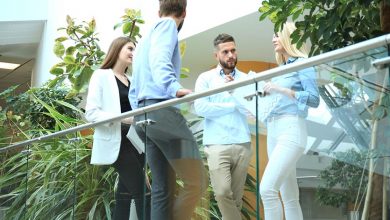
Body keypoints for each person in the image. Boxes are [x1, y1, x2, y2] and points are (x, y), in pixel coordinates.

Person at [129, 1, 207, 219]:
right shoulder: (168, 26)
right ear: (184, 13)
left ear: (159, 11)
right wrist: (175, 88)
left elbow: (134, 87)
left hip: (144, 118)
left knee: (163, 188)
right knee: (197, 181)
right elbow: (160, 61)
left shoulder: (144, 39)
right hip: (162, 115)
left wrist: (139, 112)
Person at [259, 22, 320, 220]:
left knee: (267, 189)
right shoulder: (280, 70)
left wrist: (283, 90)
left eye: (277, 35)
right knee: (289, 195)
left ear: (288, 37)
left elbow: (314, 99)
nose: (272, 39)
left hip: (292, 129)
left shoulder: (303, 63)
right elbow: (277, 103)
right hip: (273, 130)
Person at [85, 36, 150, 220]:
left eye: (134, 50)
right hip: (117, 142)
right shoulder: (101, 75)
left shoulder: (131, 80)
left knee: (124, 196)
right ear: (117, 50)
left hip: (135, 143)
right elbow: (91, 113)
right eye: (130, 48)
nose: (133, 53)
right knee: (144, 193)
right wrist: (123, 119)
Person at [194, 33, 252, 220]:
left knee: (235, 198)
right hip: (217, 144)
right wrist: (232, 104)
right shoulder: (206, 78)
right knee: (221, 192)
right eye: (225, 51)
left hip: (243, 142)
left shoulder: (245, 78)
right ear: (216, 55)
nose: (230, 55)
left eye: (233, 50)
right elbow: (201, 107)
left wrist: (236, 91)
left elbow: (252, 110)